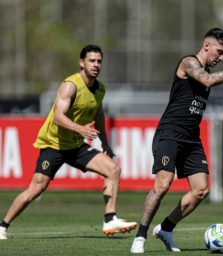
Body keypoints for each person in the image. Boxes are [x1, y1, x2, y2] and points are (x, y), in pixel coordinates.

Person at [130, 28, 223, 253]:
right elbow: (207, 80)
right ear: (206, 45)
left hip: (191, 139)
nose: (221, 57)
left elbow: (209, 78)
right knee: (163, 186)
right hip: (169, 134)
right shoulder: (188, 63)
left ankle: (166, 228)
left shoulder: (207, 69)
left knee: (201, 190)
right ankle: (140, 236)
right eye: (219, 51)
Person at [0, 44, 137, 240]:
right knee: (36, 188)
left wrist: (105, 142)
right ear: (82, 62)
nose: (96, 65)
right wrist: (81, 129)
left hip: (75, 146)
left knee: (113, 169)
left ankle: (110, 219)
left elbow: (98, 114)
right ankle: (2, 226)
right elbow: (58, 117)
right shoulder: (70, 85)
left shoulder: (100, 89)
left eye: (99, 61)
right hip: (53, 145)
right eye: (92, 61)